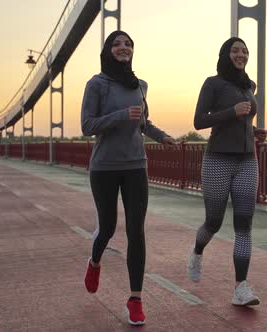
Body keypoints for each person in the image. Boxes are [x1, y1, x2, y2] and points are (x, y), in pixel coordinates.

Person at [81, 30, 176, 326]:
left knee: (137, 231)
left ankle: (135, 299)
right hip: (104, 167)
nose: (124, 48)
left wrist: (162, 137)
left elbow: (143, 122)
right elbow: (87, 125)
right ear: (108, 50)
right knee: (107, 228)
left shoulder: (141, 85)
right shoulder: (96, 84)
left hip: (136, 166)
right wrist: (122, 115)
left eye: (129, 44)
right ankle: (94, 261)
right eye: (117, 44)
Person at [187, 37, 267, 306]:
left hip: (247, 160)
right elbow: (199, 121)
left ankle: (240, 288)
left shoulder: (249, 86)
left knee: (243, 225)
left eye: (245, 51)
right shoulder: (213, 83)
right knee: (214, 222)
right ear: (225, 54)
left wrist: (255, 132)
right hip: (218, 160)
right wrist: (231, 112)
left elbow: (243, 121)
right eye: (235, 50)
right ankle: (198, 250)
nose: (241, 54)